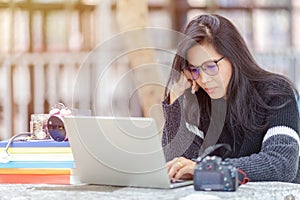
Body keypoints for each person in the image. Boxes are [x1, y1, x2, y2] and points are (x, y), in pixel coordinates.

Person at [162, 14, 300, 183]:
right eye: (195, 70)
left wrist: (204, 169)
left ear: (234, 56)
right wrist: (175, 99)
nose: (204, 79)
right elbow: (176, 165)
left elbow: (281, 164)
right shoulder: (198, 100)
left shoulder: (276, 92)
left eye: (210, 66)